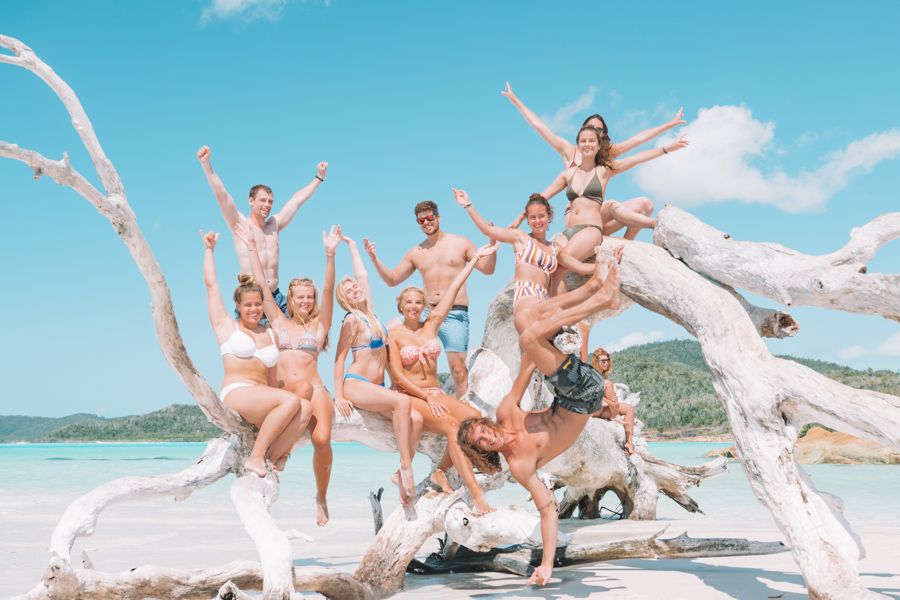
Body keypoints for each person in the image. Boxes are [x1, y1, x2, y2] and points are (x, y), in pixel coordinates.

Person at [457, 246, 623, 586]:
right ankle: (601, 296)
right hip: (583, 398)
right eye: (481, 442)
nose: (487, 436)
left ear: (486, 425)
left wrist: (539, 336)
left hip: (572, 387)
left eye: (482, 430)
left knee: (527, 326)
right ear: (483, 450)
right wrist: (546, 564)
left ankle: (595, 287)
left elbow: (526, 366)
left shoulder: (506, 412)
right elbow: (547, 509)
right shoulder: (519, 465)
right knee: (530, 333)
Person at [235, 219, 340, 525]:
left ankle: (320, 496)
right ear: (291, 300)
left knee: (322, 440)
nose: (305, 300)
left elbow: (331, 289)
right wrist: (252, 247)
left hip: (315, 389)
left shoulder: (321, 326)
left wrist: (330, 256)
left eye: (310, 296)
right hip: (284, 392)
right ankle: (279, 453)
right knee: (296, 403)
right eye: (300, 296)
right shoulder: (278, 322)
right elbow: (263, 288)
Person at [388, 242, 499, 514]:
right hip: (412, 396)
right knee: (453, 428)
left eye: (418, 302)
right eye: (408, 302)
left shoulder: (431, 325)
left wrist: (473, 262)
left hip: (435, 393)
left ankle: (442, 471)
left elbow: (452, 291)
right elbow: (398, 377)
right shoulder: (394, 335)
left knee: (473, 415)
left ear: (423, 305)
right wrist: (426, 395)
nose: (414, 306)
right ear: (400, 306)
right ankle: (478, 496)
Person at [502, 82, 686, 239]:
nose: (594, 132)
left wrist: (668, 126)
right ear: (582, 130)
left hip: (599, 218)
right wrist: (515, 100)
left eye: (599, 131)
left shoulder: (607, 157)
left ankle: (625, 247)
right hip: (575, 219)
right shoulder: (569, 151)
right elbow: (540, 126)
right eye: (590, 128)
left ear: (602, 138)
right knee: (614, 205)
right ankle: (652, 227)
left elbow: (638, 140)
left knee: (645, 204)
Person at [201, 230, 312, 478]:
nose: (254, 309)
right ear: (238, 307)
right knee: (292, 401)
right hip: (237, 393)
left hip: (262, 398)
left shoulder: (271, 333)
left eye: (258, 304)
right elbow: (211, 286)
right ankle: (255, 457)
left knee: (304, 406)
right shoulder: (227, 327)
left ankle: (272, 460)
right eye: (248, 305)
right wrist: (209, 250)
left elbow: (271, 381)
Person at [363, 200, 497, 398]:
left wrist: (493, 242)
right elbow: (392, 279)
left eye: (429, 218)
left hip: (454, 313)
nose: (426, 222)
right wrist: (374, 258)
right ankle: (392, 388)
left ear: (438, 217)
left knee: (458, 370)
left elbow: (488, 269)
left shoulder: (460, 243)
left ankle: (462, 415)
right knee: (381, 336)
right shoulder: (416, 253)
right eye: (421, 220)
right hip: (424, 313)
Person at [333, 233, 424, 505]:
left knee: (417, 420)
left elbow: (364, 277)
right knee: (403, 401)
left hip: (377, 388)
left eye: (355, 288)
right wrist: (338, 395)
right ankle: (407, 468)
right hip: (357, 383)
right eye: (349, 291)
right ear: (345, 299)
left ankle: (399, 473)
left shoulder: (371, 314)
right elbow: (339, 359)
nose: (355, 290)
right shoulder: (352, 320)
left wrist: (351, 247)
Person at [541, 124, 687, 289]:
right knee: (548, 267)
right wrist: (518, 221)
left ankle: (648, 228)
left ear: (598, 145)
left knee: (559, 268)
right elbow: (541, 198)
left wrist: (667, 148)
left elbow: (636, 158)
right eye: (583, 141)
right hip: (569, 231)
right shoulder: (569, 173)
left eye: (591, 140)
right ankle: (553, 311)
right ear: (578, 145)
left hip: (590, 229)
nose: (587, 144)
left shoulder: (604, 170)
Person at [197, 145, 327, 319]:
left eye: (270, 201)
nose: (267, 205)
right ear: (251, 200)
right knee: (254, 344)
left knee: (290, 342)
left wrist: (319, 177)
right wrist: (206, 164)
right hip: (253, 297)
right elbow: (222, 195)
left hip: (276, 297)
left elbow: (296, 201)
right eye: (263, 200)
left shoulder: (274, 225)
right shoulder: (239, 223)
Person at [453, 189, 593, 334]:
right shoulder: (520, 238)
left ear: (549, 216)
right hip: (526, 294)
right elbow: (487, 230)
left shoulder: (555, 248)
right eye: (532, 218)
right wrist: (468, 205)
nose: (537, 221)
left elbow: (581, 267)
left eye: (541, 216)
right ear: (527, 220)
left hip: (543, 296)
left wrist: (606, 262)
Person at [588, 347, 636, 454]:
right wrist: (611, 402)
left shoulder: (599, 376)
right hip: (592, 410)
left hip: (597, 409)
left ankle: (629, 442)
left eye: (607, 360)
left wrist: (610, 401)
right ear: (596, 362)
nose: (606, 363)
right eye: (603, 361)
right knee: (611, 390)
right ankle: (615, 417)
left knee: (629, 408)